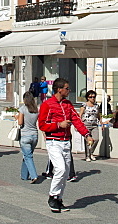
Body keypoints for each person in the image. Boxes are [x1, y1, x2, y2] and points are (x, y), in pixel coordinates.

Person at [38, 77, 91, 213]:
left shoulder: (68, 104)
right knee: (60, 169)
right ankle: (52, 196)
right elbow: (42, 125)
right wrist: (58, 125)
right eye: (67, 88)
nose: (69, 90)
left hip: (66, 142)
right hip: (54, 142)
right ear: (59, 89)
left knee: (66, 172)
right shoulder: (47, 104)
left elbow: (76, 120)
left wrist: (86, 134)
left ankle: (59, 199)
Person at [17, 91, 39, 182]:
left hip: (25, 135)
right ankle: (24, 175)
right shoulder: (36, 110)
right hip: (34, 135)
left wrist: (16, 117)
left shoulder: (23, 109)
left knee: (28, 156)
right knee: (27, 155)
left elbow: (20, 122)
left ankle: (34, 175)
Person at [81, 90, 100, 161]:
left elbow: (98, 115)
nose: (93, 98)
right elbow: (80, 114)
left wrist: (101, 122)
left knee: (96, 139)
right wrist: (79, 124)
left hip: (94, 124)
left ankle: (91, 152)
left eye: (94, 97)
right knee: (87, 141)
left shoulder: (96, 106)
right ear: (87, 98)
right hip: (86, 124)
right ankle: (87, 156)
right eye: (91, 97)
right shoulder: (84, 105)